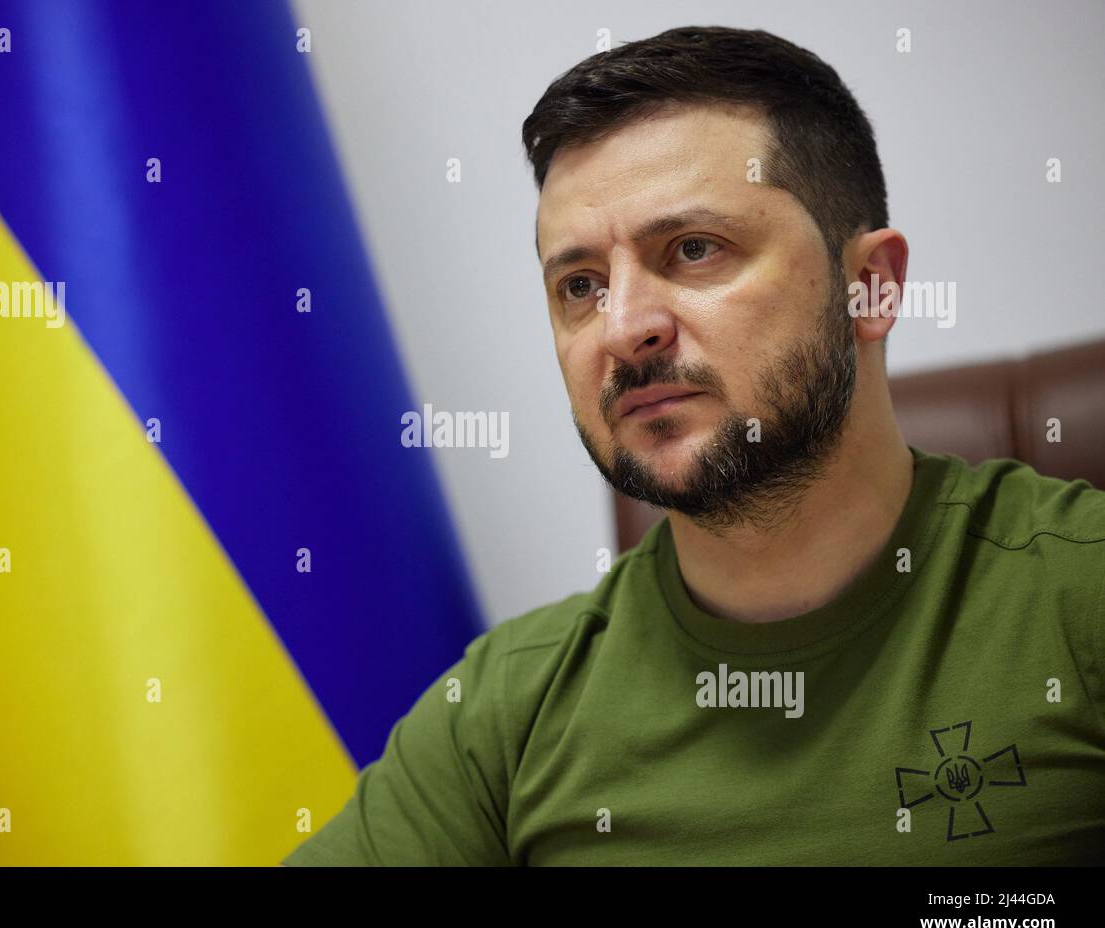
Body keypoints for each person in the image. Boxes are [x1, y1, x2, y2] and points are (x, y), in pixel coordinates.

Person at [283, 25, 1105, 865]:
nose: (625, 327)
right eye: (581, 286)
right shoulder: (502, 710)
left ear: (871, 286)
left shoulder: (1079, 593)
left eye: (694, 249)